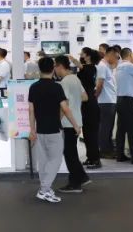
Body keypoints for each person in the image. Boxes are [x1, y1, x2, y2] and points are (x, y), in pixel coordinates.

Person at [28, 58, 81, 203]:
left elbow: (31, 110)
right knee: (55, 160)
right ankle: (44, 189)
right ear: (52, 69)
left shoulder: (33, 87)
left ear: (39, 69)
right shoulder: (57, 87)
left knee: (43, 161)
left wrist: (32, 129)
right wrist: (76, 125)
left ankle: (45, 188)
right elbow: (65, 109)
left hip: (40, 130)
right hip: (54, 129)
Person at [53, 56, 89, 194]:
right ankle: (82, 177)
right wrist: (75, 100)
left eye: (55, 66)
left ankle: (75, 183)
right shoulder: (75, 78)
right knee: (71, 152)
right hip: (77, 120)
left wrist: (57, 121)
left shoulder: (64, 82)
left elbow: (65, 105)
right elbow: (85, 97)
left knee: (69, 153)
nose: (54, 70)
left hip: (69, 122)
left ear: (60, 66)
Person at [76, 48, 102, 168]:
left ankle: (95, 159)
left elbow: (82, 68)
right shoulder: (86, 68)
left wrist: (73, 60)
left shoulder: (91, 68)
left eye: (82, 53)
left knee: (91, 133)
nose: (80, 55)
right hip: (86, 103)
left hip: (90, 103)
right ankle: (90, 157)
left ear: (87, 56)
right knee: (87, 133)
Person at [96, 46, 118, 160]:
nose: (116, 59)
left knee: (109, 127)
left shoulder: (107, 67)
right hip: (105, 101)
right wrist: (96, 98)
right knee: (105, 127)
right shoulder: (102, 66)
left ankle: (108, 149)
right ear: (110, 54)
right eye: (116, 57)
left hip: (110, 101)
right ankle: (104, 150)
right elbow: (100, 84)